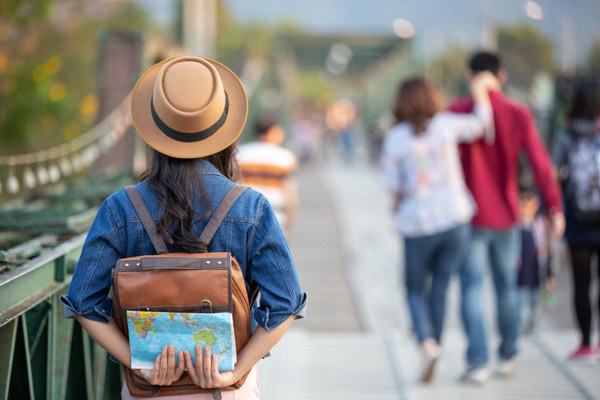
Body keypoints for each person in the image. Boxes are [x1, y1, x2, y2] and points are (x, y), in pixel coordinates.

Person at [60, 56, 307, 399]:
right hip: (226, 389)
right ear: (223, 131)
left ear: (155, 130)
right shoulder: (251, 208)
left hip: (149, 389)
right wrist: (234, 372)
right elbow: (287, 304)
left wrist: (137, 363)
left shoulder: (120, 207)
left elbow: (83, 302)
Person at [449, 51, 565, 384]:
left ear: (470, 75)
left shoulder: (457, 111)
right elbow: (541, 164)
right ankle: (509, 353)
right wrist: (554, 207)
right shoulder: (517, 112)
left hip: (468, 217)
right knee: (506, 288)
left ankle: (477, 361)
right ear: (501, 76)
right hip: (507, 215)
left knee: (471, 287)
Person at [381, 72, 498, 383]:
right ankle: (437, 344)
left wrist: (397, 210)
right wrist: (481, 91)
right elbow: (482, 123)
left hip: (417, 224)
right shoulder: (446, 126)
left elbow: (392, 187)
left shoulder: (396, 139)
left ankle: (426, 343)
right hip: (454, 221)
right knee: (440, 288)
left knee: (412, 289)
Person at [551, 79, 600, 362]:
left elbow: (553, 174)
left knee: (582, 282)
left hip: (579, 219)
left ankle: (584, 344)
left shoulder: (565, 135)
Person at [237, 113, 298, 238]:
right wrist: (290, 225)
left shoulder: (239, 155)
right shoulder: (286, 158)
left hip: (245, 220)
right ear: (273, 131)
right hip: (277, 222)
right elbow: (291, 196)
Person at [516, 173, 556, 336]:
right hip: (519, 273)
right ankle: (520, 324)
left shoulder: (540, 226)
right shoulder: (515, 227)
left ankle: (533, 325)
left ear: (535, 204)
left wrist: (550, 275)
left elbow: (548, 250)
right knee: (521, 302)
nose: (525, 206)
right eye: (522, 202)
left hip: (537, 272)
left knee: (535, 302)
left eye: (529, 202)